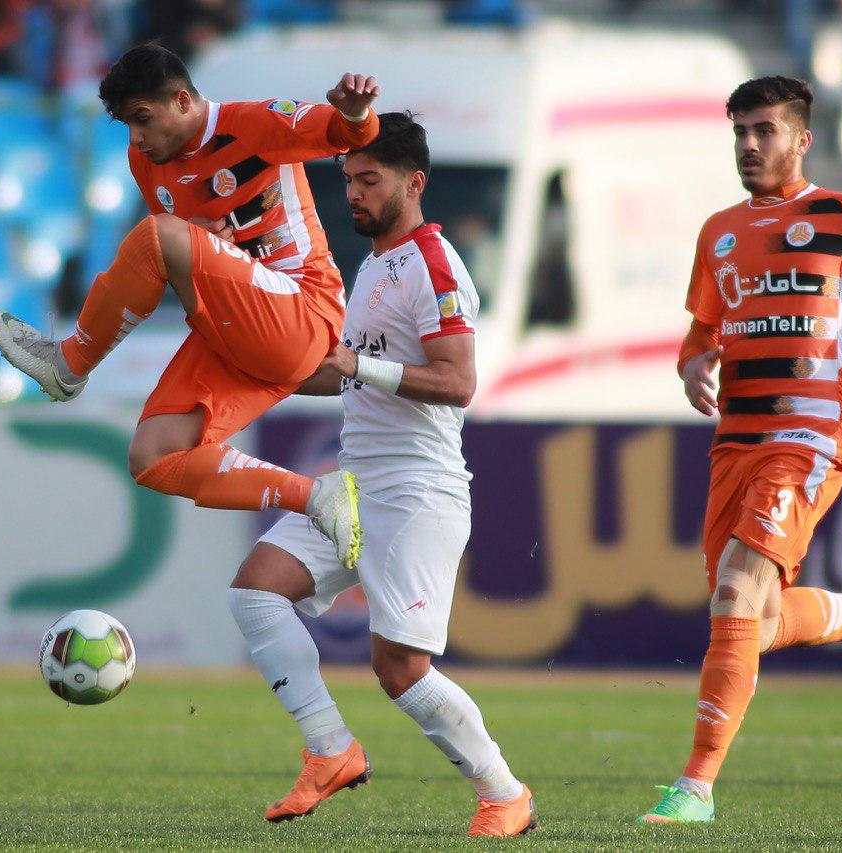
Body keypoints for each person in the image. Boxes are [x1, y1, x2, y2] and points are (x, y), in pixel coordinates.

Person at [638, 76, 842, 824]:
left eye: (765, 131)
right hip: (735, 443)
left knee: (734, 593)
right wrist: (692, 363)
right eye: (740, 133)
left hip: (807, 437)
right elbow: (703, 327)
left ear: (801, 139)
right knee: (751, 621)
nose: (749, 146)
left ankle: (694, 787)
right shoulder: (718, 231)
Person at [226, 112, 537, 838]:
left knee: (399, 668)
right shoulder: (371, 265)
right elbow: (344, 375)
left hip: (416, 490)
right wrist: (254, 364)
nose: (355, 193)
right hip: (355, 483)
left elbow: (458, 381)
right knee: (255, 592)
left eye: (370, 179)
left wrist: (357, 364)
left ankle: (505, 793)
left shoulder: (434, 263)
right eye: (348, 180)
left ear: (413, 182)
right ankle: (330, 749)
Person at [0, 42, 377, 567]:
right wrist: (196, 237)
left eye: (142, 119)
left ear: (180, 101)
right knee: (153, 455)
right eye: (126, 125)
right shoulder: (145, 160)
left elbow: (346, 133)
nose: (135, 138)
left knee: (158, 234)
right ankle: (316, 497)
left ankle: (71, 362)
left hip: (303, 310)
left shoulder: (255, 123)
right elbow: (178, 261)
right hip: (237, 328)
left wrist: (356, 114)